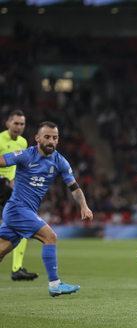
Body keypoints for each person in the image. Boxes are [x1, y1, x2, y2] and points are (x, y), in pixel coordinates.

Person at [0, 121, 93, 296]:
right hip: (17, 209)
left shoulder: (60, 161)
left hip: (24, 212)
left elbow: (73, 186)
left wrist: (84, 206)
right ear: (37, 138)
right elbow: (3, 160)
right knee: (50, 237)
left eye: (55, 138)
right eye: (47, 137)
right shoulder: (26, 155)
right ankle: (54, 284)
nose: (51, 141)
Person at [0, 110, 38, 281]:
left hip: (12, 189)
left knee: (22, 225)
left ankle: (17, 269)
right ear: (8, 123)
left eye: (22, 124)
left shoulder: (23, 142)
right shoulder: (0, 139)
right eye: (16, 123)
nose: (19, 127)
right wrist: (6, 180)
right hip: (3, 184)